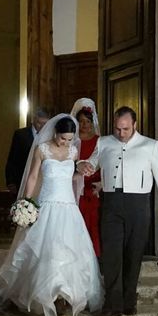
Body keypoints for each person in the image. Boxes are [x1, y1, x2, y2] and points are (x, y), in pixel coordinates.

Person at [0, 114, 103, 316]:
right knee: (44, 250)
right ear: (55, 133)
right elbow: (33, 176)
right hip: (46, 204)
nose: (66, 143)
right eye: (63, 138)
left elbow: (69, 177)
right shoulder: (42, 149)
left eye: (70, 139)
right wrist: (26, 202)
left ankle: (64, 295)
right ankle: (43, 296)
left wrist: (81, 172)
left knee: (68, 251)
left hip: (68, 207)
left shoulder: (73, 151)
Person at [77, 106, 158, 316]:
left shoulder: (151, 146)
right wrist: (84, 165)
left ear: (135, 125)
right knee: (111, 254)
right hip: (111, 203)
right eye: (118, 128)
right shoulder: (104, 142)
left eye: (126, 129)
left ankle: (129, 302)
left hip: (138, 205)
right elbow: (92, 162)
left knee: (133, 254)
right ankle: (112, 305)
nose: (121, 133)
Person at [71, 98, 102, 258]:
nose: (84, 125)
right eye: (81, 121)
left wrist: (101, 182)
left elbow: (104, 165)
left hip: (92, 189)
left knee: (92, 223)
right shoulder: (71, 141)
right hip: (74, 189)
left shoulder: (99, 141)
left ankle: (93, 258)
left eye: (87, 121)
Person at [5, 107, 52, 195]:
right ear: (33, 120)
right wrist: (10, 182)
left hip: (43, 180)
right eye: (39, 123)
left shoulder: (51, 137)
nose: (42, 127)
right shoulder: (21, 134)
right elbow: (12, 159)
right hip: (22, 177)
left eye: (45, 124)